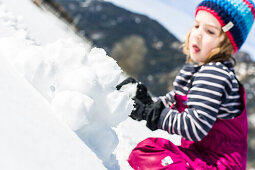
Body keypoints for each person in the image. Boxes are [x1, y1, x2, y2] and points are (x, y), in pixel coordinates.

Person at [116, 0, 255, 169]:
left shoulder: (215, 74)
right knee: (151, 149)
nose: (197, 34)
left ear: (227, 46)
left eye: (210, 31)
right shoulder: (199, 70)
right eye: (196, 26)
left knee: (149, 154)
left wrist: (152, 113)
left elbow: (195, 127)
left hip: (218, 165)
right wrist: (146, 102)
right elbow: (175, 100)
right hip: (201, 157)